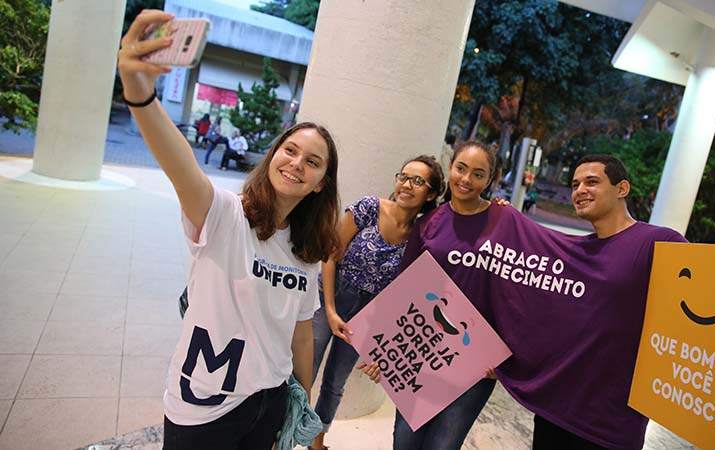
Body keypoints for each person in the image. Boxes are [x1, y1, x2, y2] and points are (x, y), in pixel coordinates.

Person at [396, 149, 715, 450]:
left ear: (621, 188)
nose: (580, 190)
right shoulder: (573, 251)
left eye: (591, 181)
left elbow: (712, 300)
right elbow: (522, 293)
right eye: (574, 184)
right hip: (555, 413)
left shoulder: (657, 243)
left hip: (610, 424)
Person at [118, 10, 340, 450]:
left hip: (269, 402)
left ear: (319, 186)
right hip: (203, 403)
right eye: (290, 150)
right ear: (273, 154)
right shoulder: (223, 214)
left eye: (312, 162)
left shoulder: (306, 251)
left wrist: (306, 410)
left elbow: (299, 333)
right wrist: (139, 93)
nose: (296, 163)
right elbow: (181, 166)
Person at [308, 155, 445, 450]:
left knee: (335, 383)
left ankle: (317, 442)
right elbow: (330, 255)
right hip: (330, 297)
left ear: (431, 194)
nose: (406, 184)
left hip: (370, 315)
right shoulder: (369, 207)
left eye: (418, 181)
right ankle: (281, 435)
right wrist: (330, 310)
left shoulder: (423, 234)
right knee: (305, 371)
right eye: (403, 176)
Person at [393, 140, 505, 449]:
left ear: (490, 180)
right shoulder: (428, 223)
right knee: (405, 442)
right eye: (461, 169)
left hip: (475, 361)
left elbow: (517, 291)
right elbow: (405, 288)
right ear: (451, 167)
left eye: (478, 174)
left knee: (443, 446)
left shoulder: (505, 223)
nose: (467, 180)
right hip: (424, 351)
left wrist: (505, 352)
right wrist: (384, 348)